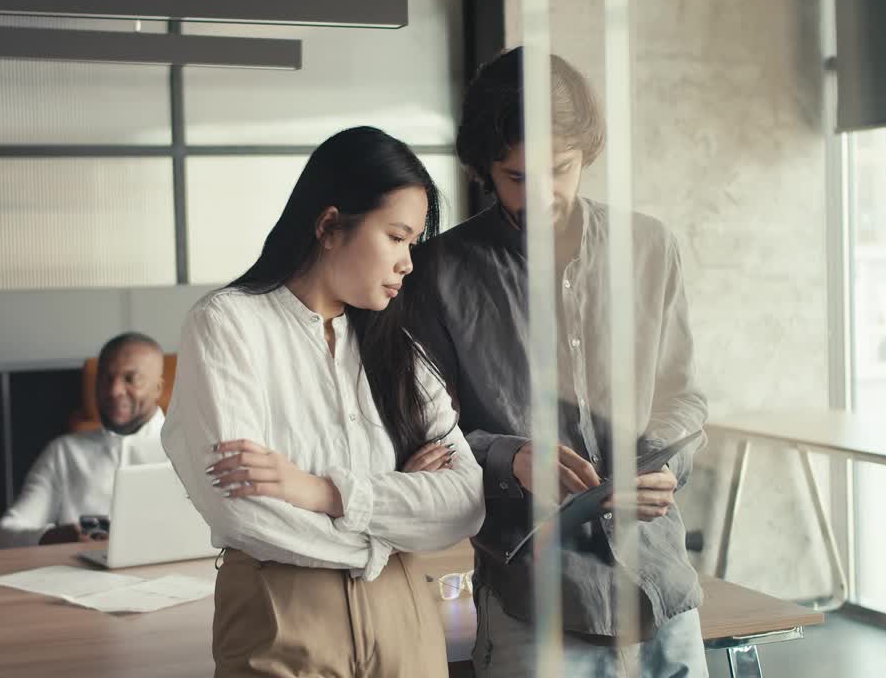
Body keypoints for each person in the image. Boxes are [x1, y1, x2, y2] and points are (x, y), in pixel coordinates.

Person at [407, 47, 709, 676]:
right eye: (519, 178)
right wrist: (508, 457)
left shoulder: (649, 247)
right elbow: (425, 439)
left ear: (587, 153)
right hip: (534, 606)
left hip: (662, 592)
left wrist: (667, 462)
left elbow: (684, 397)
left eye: (561, 170)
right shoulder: (438, 274)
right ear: (486, 169)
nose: (543, 196)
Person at [163, 126, 485, 678]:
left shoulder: (398, 347)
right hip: (283, 619)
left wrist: (321, 492)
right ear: (330, 226)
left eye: (413, 244)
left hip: (405, 618)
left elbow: (465, 501)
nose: (408, 262)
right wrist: (390, 525)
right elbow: (243, 511)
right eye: (396, 237)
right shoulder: (228, 325)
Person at [0, 332, 167, 547]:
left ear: (158, 389)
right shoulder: (64, 452)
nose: (114, 390)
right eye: (106, 378)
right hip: (79, 575)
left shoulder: (189, 450)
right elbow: (4, 533)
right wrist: (50, 537)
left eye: (130, 379)